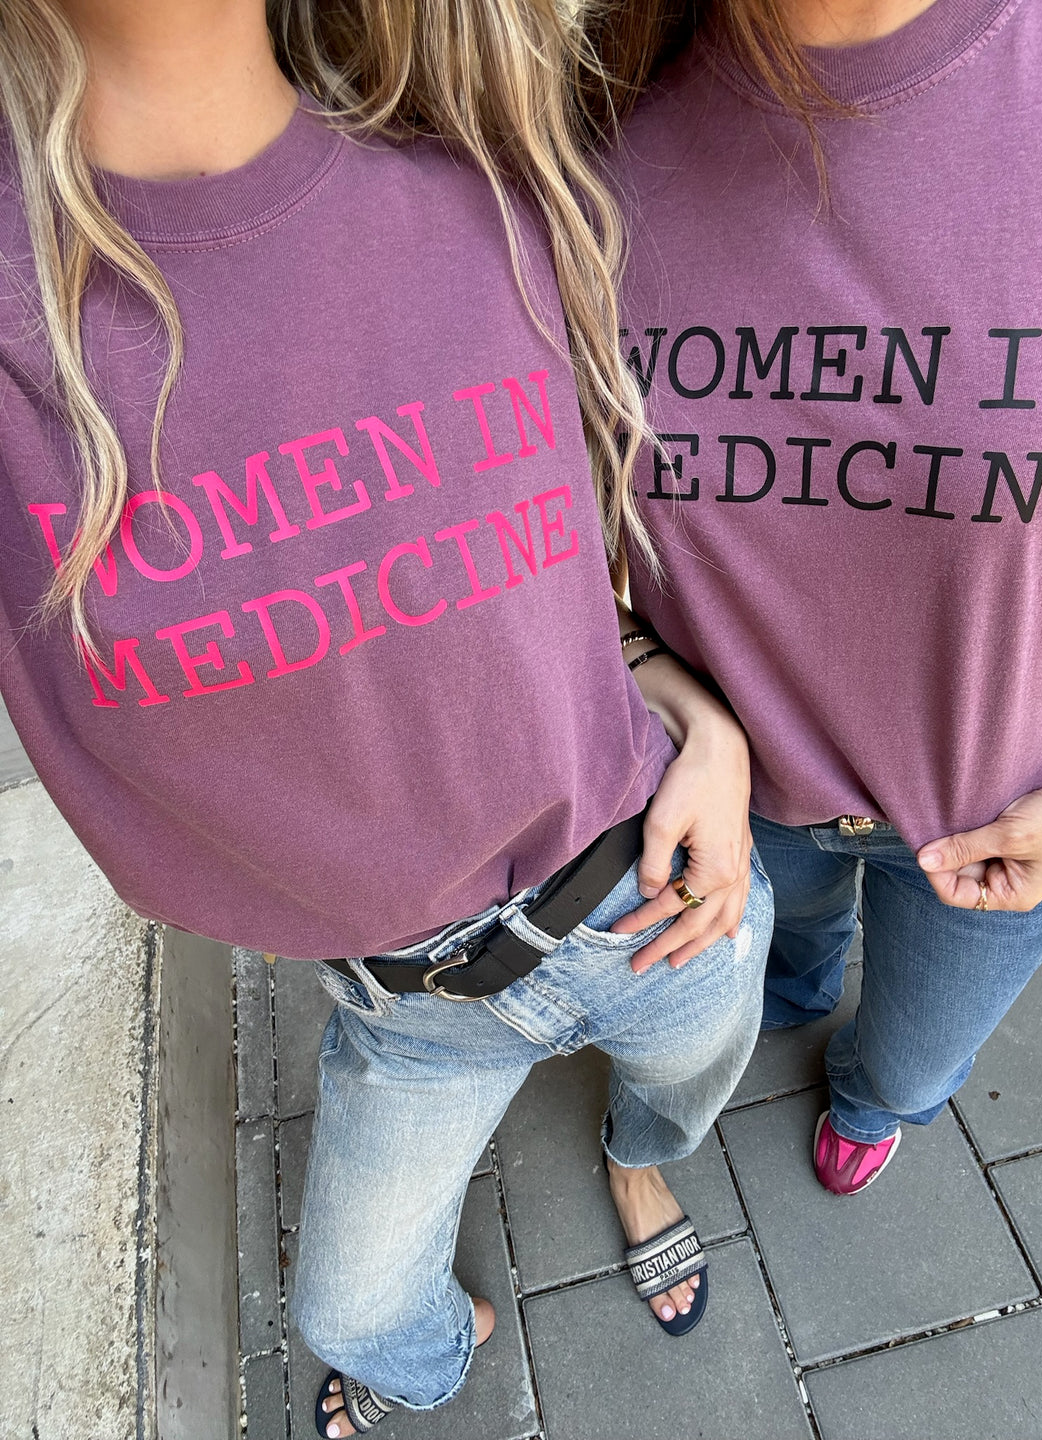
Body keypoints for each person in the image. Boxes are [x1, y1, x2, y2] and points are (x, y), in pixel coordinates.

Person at [0, 1, 772, 1433]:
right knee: (352, 1315)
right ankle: (443, 1341)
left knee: (682, 1094)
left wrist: (700, 718)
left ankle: (637, 1155)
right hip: (407, 1002)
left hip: (659, 891)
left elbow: (570, 575)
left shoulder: (485, 189)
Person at [608, 0, 1042, 1197]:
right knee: (790, 962)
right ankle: (799, 992)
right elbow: (536, 510)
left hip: (1011, 822)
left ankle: (873, 1093)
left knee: (916, 1068)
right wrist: (647, 680)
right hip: (736, 795)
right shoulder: (588, 101)